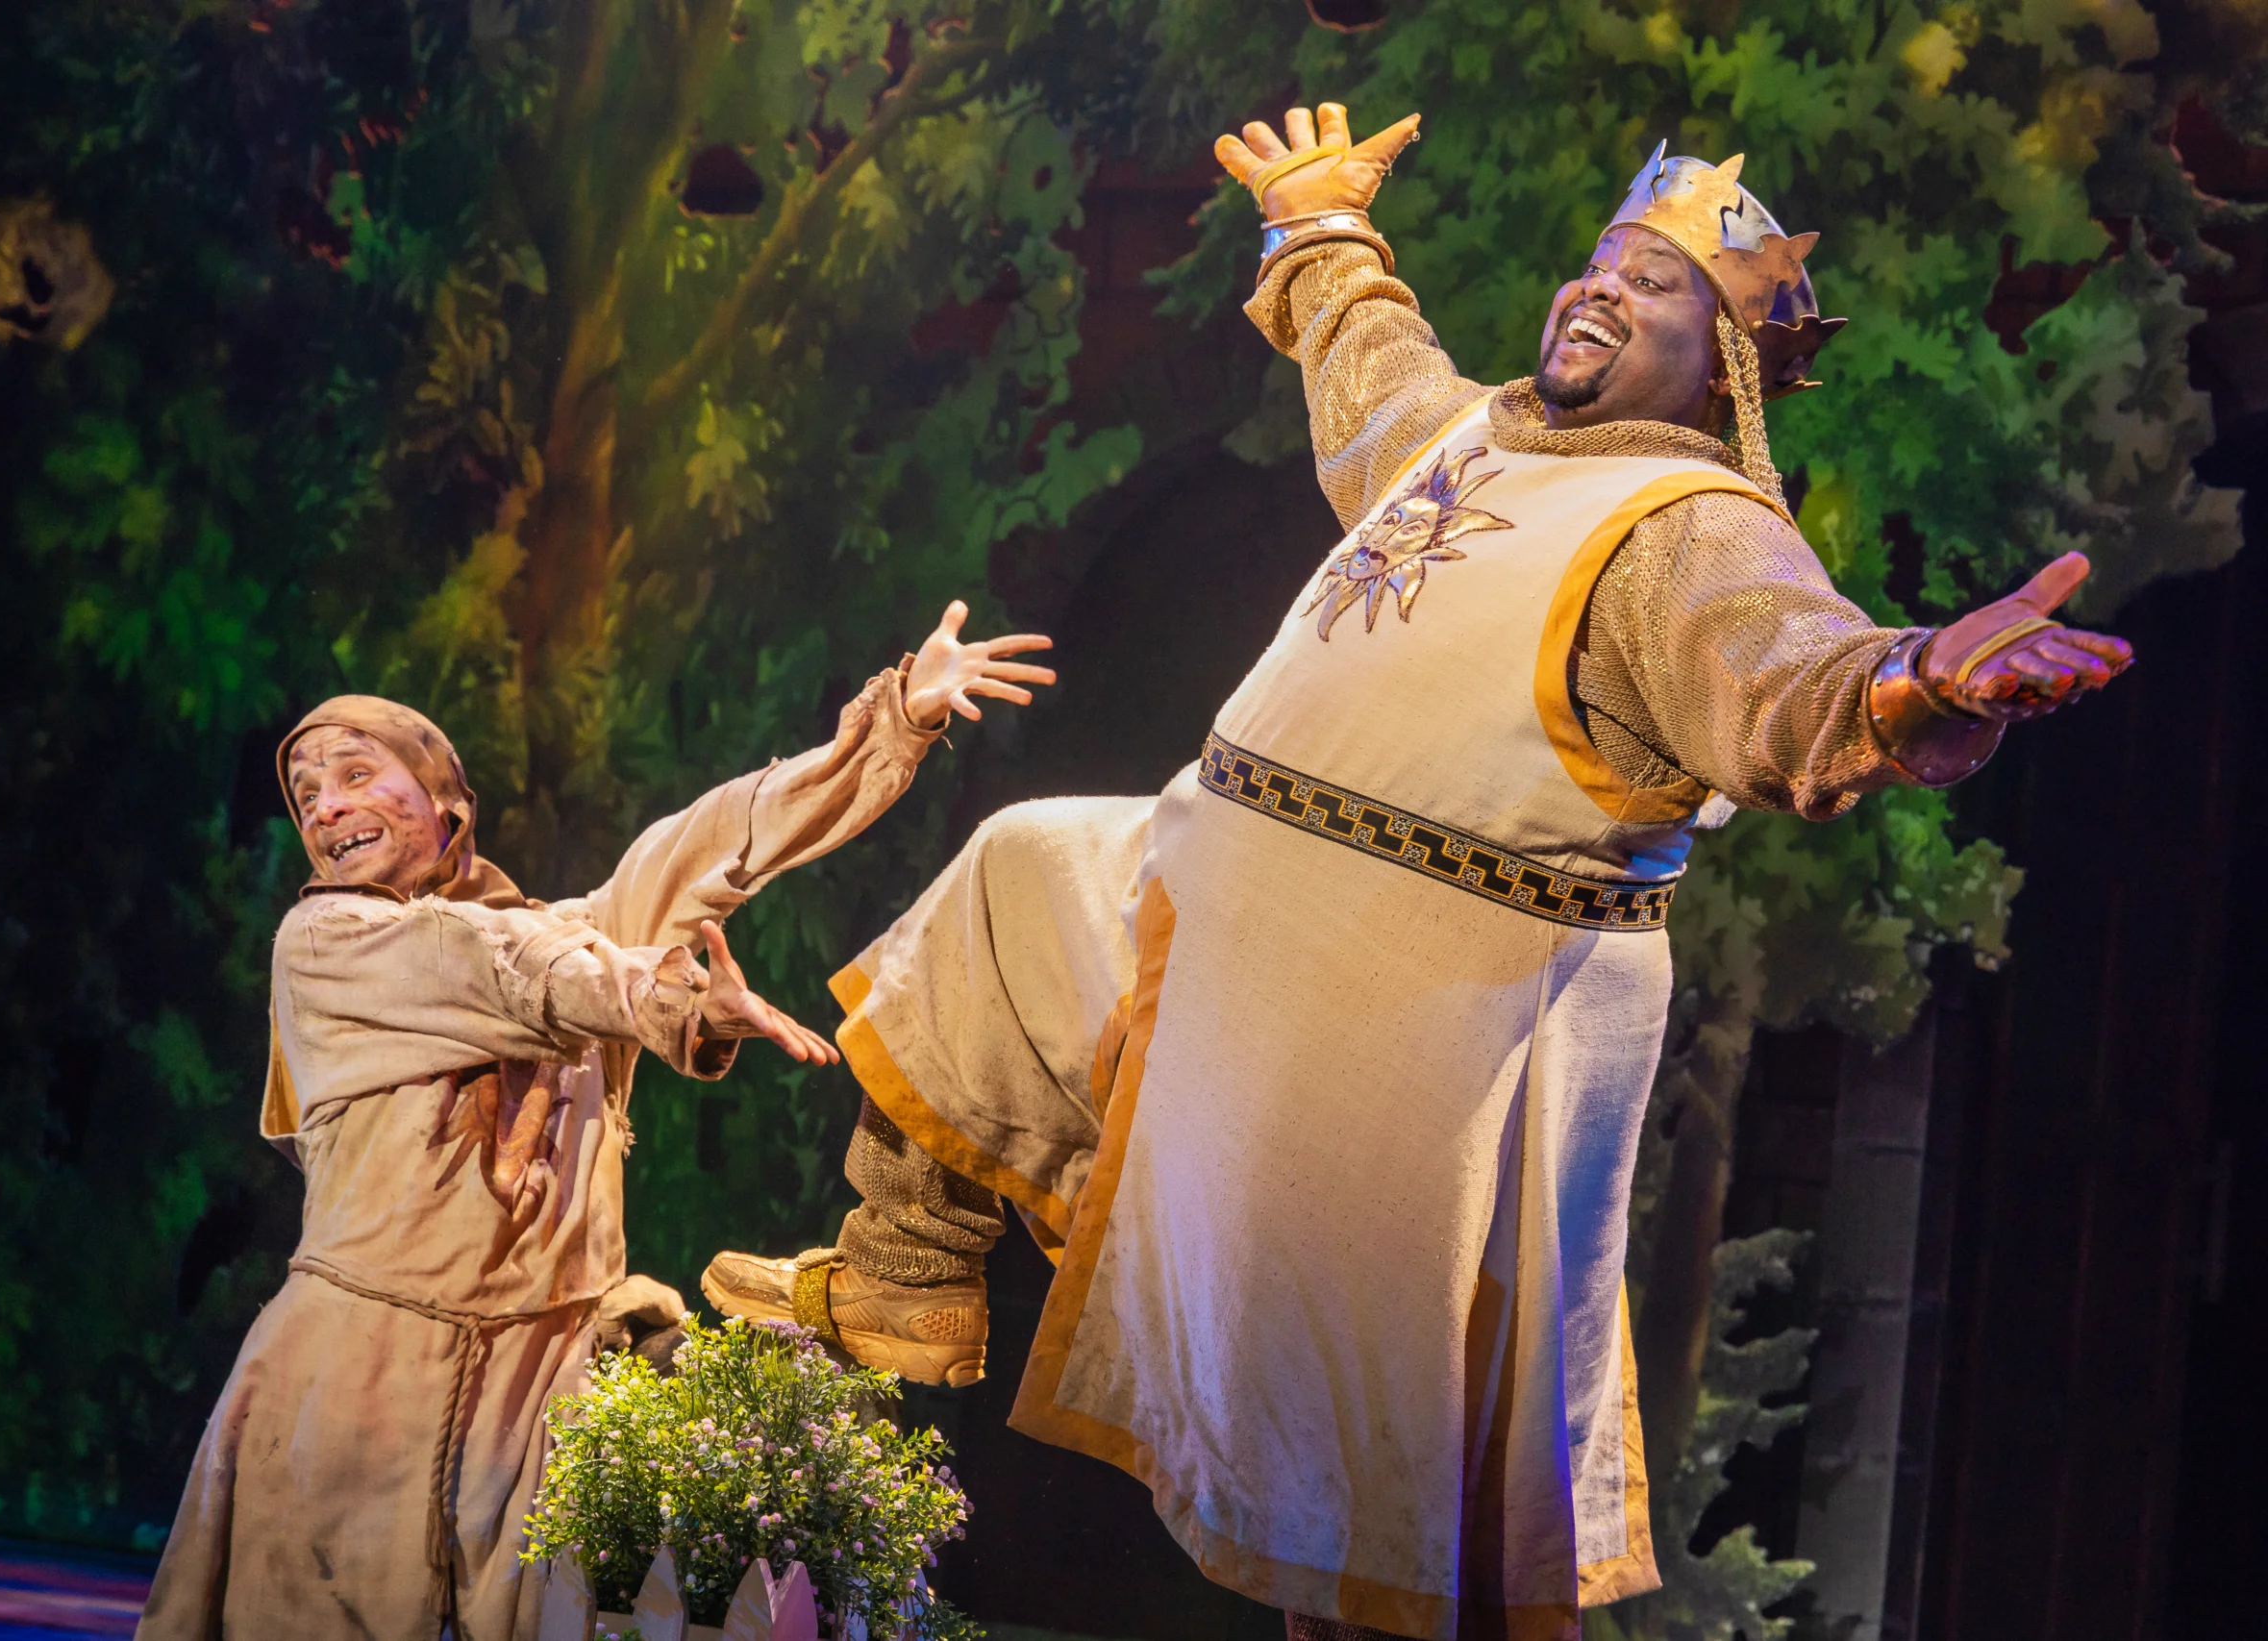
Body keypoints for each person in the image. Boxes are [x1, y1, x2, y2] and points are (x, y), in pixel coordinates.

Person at [700, 105, 2133, 1639]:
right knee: (1009, 880)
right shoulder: (1468, 438)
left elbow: (1788, 673)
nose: (1596, 289)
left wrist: (1917, 684)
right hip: (1207, 901)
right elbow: (1366, 355)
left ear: (1718, 362)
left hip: (1413, 1016)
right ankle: (906, 1272)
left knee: (1369, 1466)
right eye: (1597, 262)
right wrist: (1320, 223)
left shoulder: (1690, 530)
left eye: (1651, 286)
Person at [135, 602, 1054, 1641]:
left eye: (354, 774)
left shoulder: (577, 948)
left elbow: (712, 841)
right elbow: (488, 968)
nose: (325, 807)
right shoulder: (328, 945)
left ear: (446, 802)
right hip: (358, 1375)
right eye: (305, 794)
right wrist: (666, 1000)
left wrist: (891, 728)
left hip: (542, 1381)